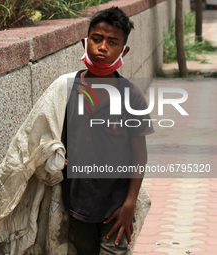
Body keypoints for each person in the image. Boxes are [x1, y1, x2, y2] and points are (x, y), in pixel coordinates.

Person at [61, 7, 154, 255]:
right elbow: (50, 136)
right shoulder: (66, 90)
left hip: (116, 204)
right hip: (78, 203)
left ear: (124, 51)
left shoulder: (131, 96)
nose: (103, 47)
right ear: (85, 42)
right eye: (97, 39)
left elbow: (139, 154)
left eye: (112, 42)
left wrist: (130, 204)